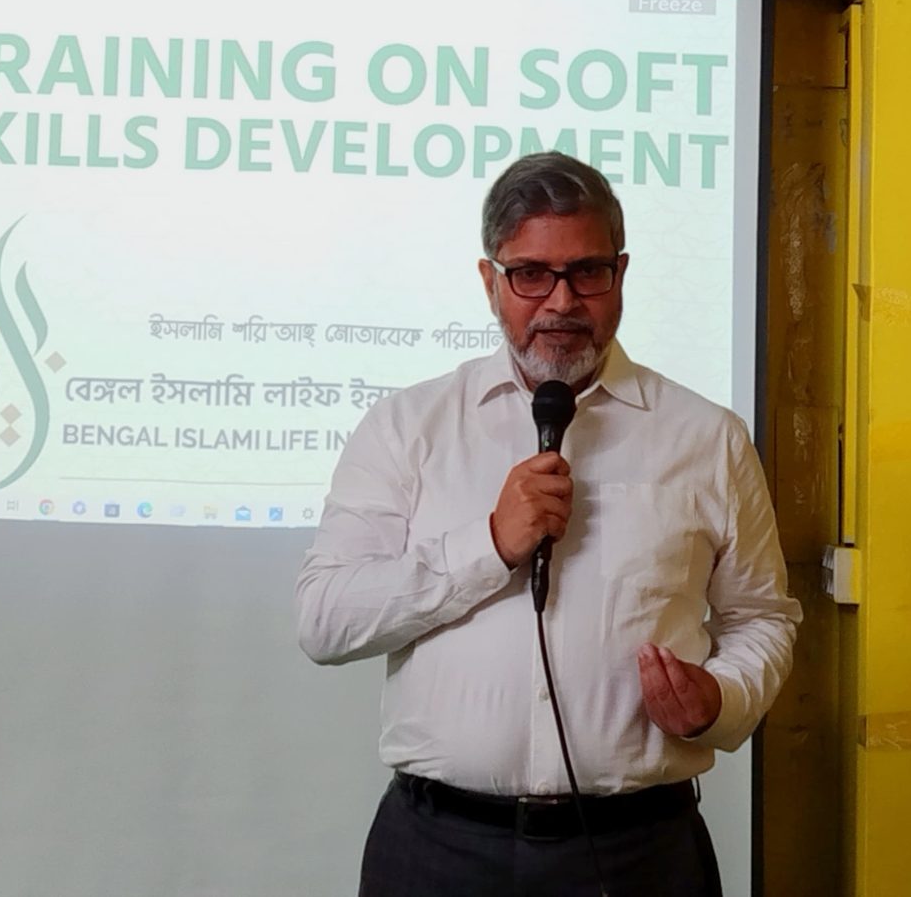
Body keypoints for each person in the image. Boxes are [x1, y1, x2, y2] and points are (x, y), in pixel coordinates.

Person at [294, 152, 802, 897]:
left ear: (620, 273)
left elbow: (761, 617)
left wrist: (722, 700)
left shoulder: (707, 438)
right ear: (490, 281)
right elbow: (325, 621)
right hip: (438, 851)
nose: (561, 301)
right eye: (531, 274)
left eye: (586, 272)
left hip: (638, 851)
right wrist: (489, 544)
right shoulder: (408, 426)